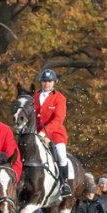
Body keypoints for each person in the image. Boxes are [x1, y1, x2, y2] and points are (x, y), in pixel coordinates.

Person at [33, 69, 72, 198]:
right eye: (44, 81)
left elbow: (58, 120)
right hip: (35, 132)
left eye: (49, 81)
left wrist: (44, 133)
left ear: (54, 82)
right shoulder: (34, 96)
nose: (46, 84)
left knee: (61, 156)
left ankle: (64, 184)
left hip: (55, 134)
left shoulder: (60, 98)